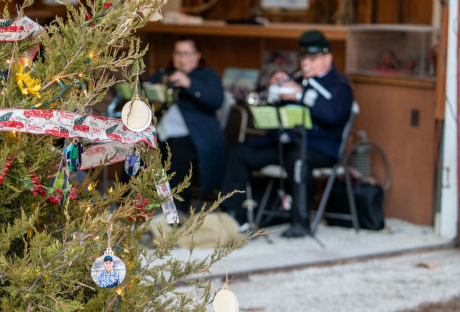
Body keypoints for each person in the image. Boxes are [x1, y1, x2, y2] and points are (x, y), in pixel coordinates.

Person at [221, 30, 354, 238]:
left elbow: (331, 114)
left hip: (319, 147)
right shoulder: (296, 78)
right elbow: (264, 101)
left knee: (297, 159)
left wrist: (300, 94)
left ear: (328, 58)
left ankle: (300, 221)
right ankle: (233, 215)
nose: (305, 63)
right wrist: (272, 87)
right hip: (286, 143)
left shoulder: (339, 85)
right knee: (239, 152)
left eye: (312, 58)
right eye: (304, 57)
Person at [147, 37, 226, 211]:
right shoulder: (164, 75)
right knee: (138, 152)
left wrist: (189, 84)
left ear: (198, 55)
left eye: (187, 53)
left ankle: (176, 213)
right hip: (160, 133)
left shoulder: (207, 75)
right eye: (178, 53)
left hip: (195, 136)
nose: (182, 58)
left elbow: (216, 101)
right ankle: (129, 208)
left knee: (179, 154)